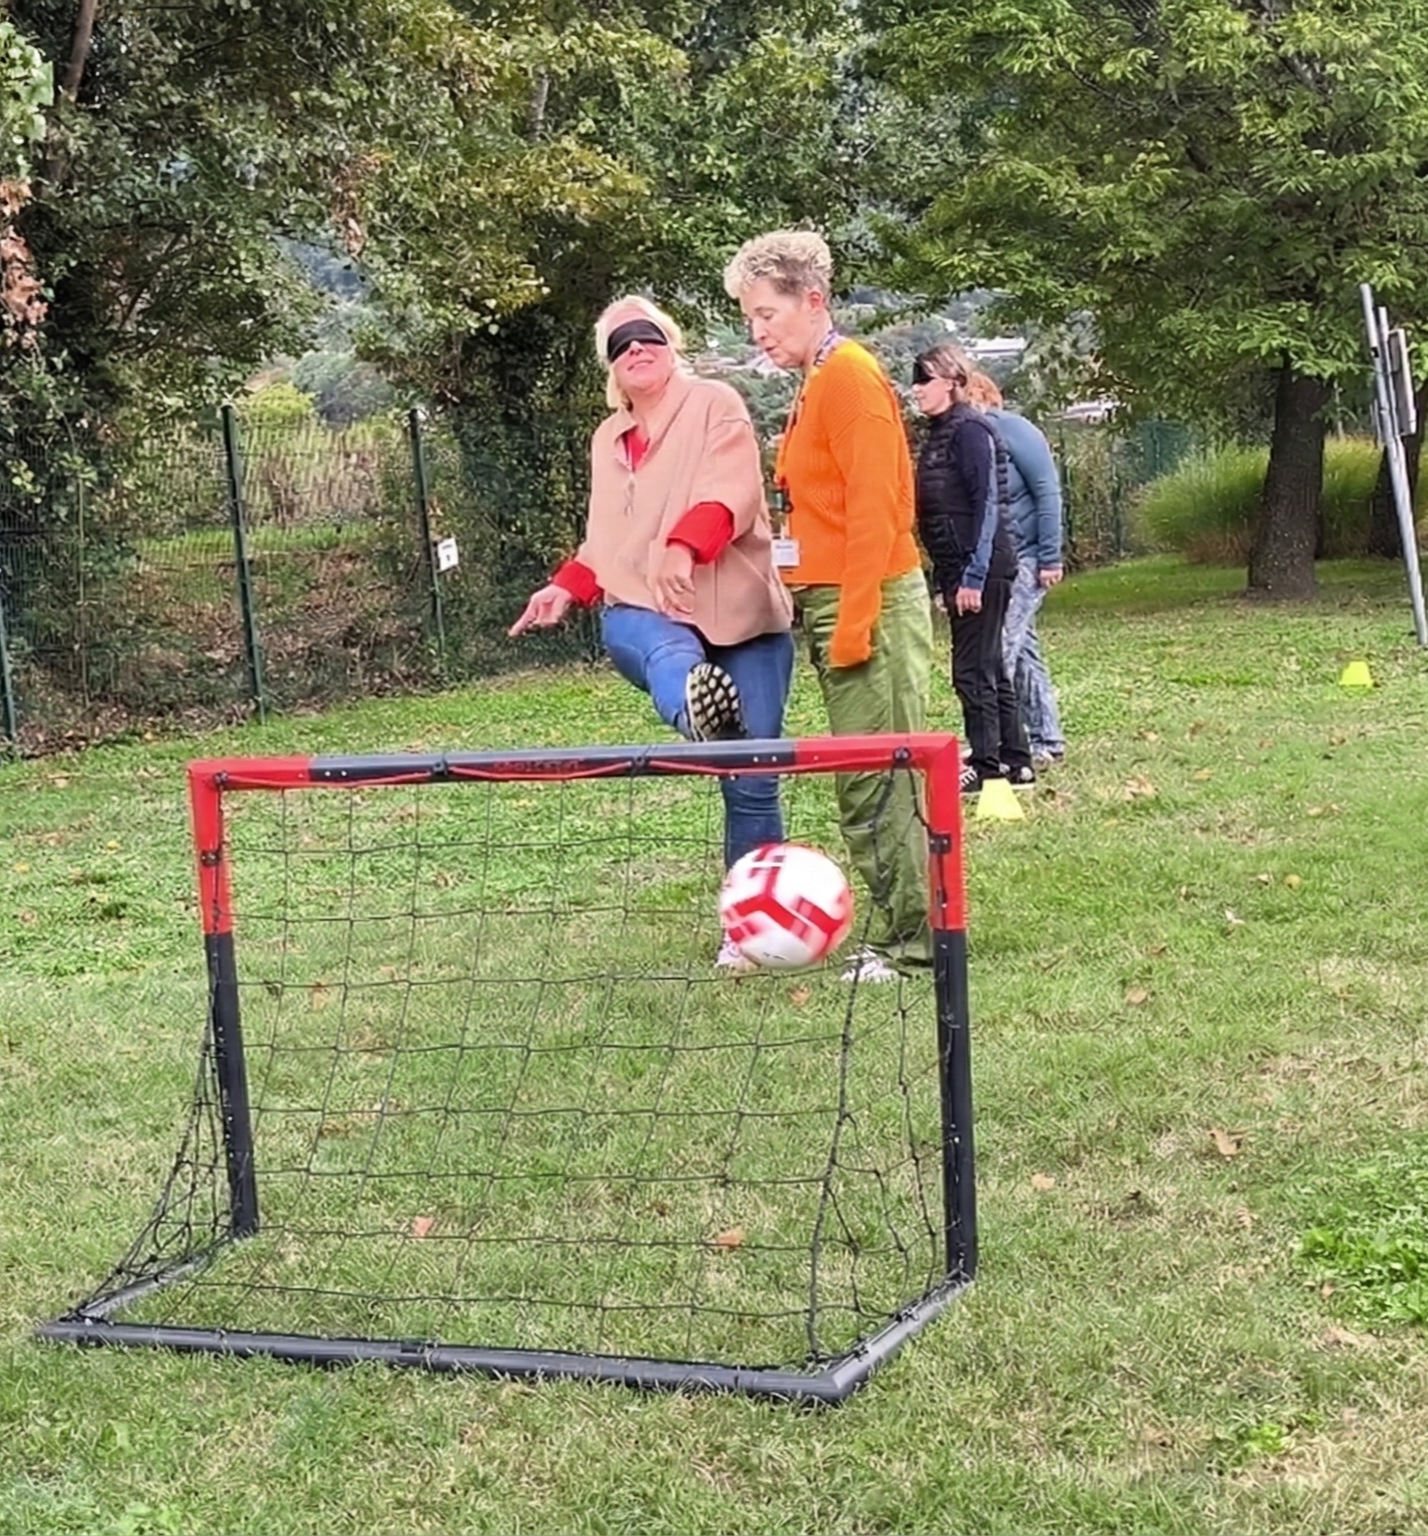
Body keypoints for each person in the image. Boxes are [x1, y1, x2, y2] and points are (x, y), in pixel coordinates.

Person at [509, 295, 796, 970]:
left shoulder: (715, 402)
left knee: (752, 779)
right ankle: (701, 715)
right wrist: (567, 586)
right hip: (645, 606)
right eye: (620, 344)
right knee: (664, 647)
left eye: (648, 338)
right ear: (610, 368)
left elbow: (734, 492)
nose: (635, 349)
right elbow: (604, 539)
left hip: (744, 617)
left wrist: (683, 548)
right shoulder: (607, 440)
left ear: (671, 346)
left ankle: (751, 932)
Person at [723, 230, 933, 983]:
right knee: (863, 780)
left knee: (881, 780)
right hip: (834, 603)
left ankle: (915, 948)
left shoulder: (849, 377)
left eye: (767, 312)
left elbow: (880, 511)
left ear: (814, 301)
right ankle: (901, 935)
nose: (758, 330)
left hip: (868, 603)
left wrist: (852, 624)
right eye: (749, 317)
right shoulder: (817, 379)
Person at [910, 344, 1034, 796]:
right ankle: (1016, 760)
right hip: (958, 567)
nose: (917, 389)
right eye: (916, 380)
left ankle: (986, 765)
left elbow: (986, 506)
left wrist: (973, 576)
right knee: (989, 665)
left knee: (972, 670)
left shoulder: (970, 431)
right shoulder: (941, 433)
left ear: (952, 382)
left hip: (981, 567)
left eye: (925, 379)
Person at [965, 372, 1067, 768]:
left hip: (1025, 556)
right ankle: (1046, 739)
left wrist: (1050, 556)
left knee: (997, 650)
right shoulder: (975, 439)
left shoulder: (1014, 430)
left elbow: (1047, 491)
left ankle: (997, 747)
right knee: (1023, 652)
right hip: (999, 559)